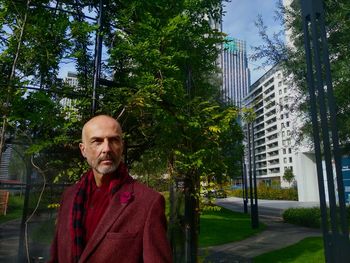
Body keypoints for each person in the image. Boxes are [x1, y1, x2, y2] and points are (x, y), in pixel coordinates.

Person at [48, 115, 172, 263]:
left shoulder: (147, 202)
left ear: (122, 146)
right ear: (83, 149)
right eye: (97, 141)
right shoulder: (69, 197)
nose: (106, 149)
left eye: (114, 140)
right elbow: (56, 256)